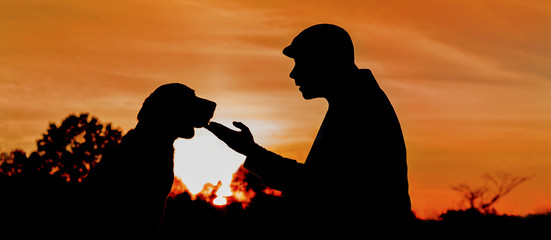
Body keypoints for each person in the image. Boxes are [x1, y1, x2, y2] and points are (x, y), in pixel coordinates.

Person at [207, 24, 412, 229]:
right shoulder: (355, 101)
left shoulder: (359, 108)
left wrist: (253, 152)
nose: (293, 74)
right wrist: (252, 151)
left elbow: (316, 188)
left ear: (324, 61)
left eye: (301, 62)